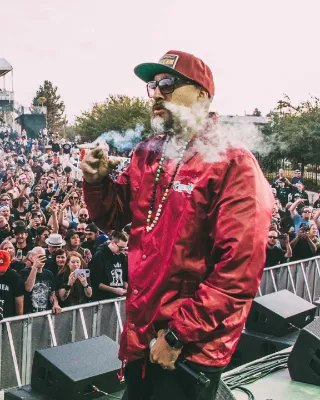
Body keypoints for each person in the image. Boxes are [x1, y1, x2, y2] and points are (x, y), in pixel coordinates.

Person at [81, 50, 273, 400]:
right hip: (142, 337)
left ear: (201, 94)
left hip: (189, 350)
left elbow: (238, 272)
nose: (156, 93)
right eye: (152, 86)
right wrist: (96, 183)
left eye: (167, 84)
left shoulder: (233, 163)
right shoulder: (148, 152)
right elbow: (112, 218)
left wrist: (177, 336)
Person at [20, 247, 61, 314]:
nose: (41, 259)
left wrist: (55, 304)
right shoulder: (24, 272)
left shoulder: (49, 274)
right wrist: (35, 267)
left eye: (43, 257)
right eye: (39, 257)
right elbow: (28, 288)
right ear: (31, 258)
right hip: (29, 314)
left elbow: (52, 295)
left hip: (45, 313)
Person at [90, 231, 128, 300]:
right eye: (120, 248)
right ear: (112, 242)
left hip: (119, 297)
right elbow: (95, 282)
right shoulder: (99, 255)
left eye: (124, 249)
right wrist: (114, 290)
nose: (122, 251)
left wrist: (127, 287)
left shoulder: (121, 256)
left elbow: (125, 278)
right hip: (103, 298)